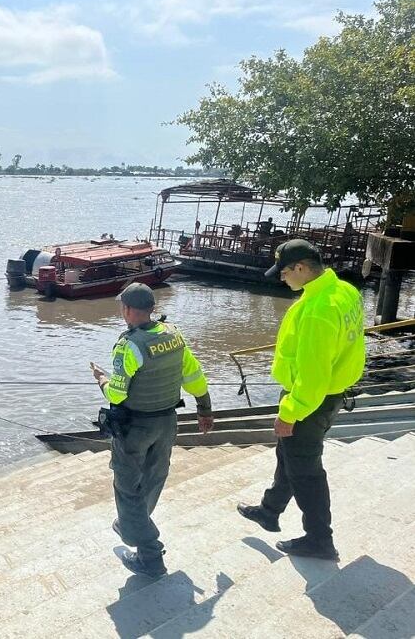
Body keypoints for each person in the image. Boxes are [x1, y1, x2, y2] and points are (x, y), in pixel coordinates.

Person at [237, 239, 365, 561]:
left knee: (306, 470)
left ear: (301, 268)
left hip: (310, 399)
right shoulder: (343, 291)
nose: (282, 279)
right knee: (289, 456)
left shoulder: (317, 312)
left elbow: (313, 376)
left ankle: (320, 539)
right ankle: (270, 510)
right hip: (330, 393)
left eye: (284, 272)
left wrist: (290, 411)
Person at [92, 283, 214, 578]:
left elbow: (117, 395)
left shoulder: (129, 345)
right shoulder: (174, 336)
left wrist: (101, 380)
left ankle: (150, 554)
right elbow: (195, 376)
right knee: (154, 478)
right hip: (167, 423)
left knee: (127, 486)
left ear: (128, 310)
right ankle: (132, 523)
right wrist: (205, 409)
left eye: (122, 307)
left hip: (136, 427)